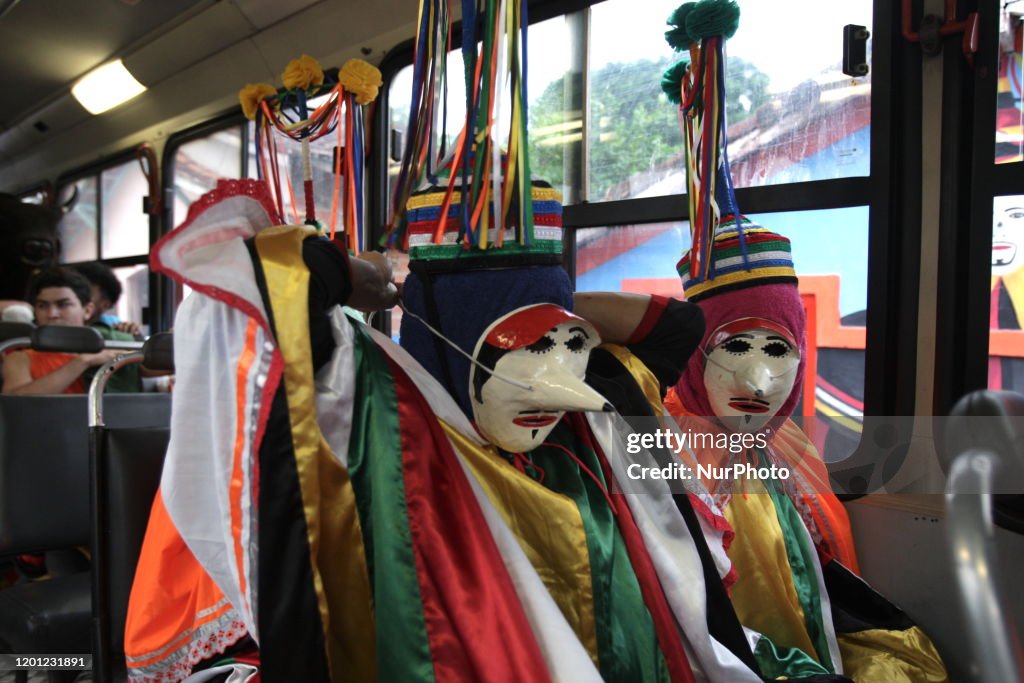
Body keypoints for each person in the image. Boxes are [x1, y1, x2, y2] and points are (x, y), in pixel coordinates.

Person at [1, 267, 128, 395]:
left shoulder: (113, 345)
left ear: (88, 310)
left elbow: (147, 369)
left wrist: (132, 333)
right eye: (42, 306)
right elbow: (15, 405)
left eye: (63, 305)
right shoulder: (20, 358)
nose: (52, 314)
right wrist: (82, 362)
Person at [73, 261, 143, 337]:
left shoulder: (113, 328)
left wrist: (131, 330)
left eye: (85, 292)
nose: (74, 297)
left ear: (105, 304)